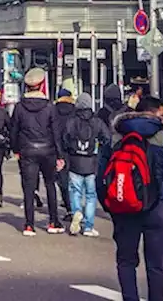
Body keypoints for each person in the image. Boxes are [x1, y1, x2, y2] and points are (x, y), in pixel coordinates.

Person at [102, 96, 163, 301]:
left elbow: (102, 178)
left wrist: (112, 207)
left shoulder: (116, 138)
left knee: (126, 261)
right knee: (156, 266)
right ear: (152, 113)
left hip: (124, 208)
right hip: (158, 207)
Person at [9, 67, 65, 236]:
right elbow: (56, 132)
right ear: (41, 86)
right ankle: (53, 221)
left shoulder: (19, 107)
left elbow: (14, 130)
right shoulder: (49, 106)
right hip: (48, 150)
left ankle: (28, 225)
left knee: (28, 187)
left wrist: (16, 149)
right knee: (50, 185)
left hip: (27, 150)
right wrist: (60, 155)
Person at [64, 91, 105, 238]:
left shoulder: (71, 121)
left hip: (75, 162)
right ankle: (88, 227)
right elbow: (106, 138)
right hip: (91, 163)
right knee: (90, 195)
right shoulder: (97, 122)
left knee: (75, 192)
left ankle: (76, 213)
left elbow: (65, 139)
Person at [53, 84, 77, 221]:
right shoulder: (75, 110)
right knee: (75, 180)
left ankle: (68, 209)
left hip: (58, 150)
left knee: (62, 180)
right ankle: (76, 208)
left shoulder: (53, 110)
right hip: (74, 150)